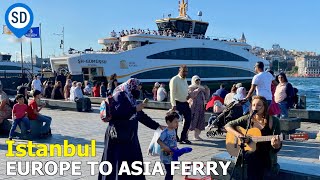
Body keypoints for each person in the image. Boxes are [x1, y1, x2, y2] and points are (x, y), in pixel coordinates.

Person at [98, 78, 165, 180]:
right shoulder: (119, 95)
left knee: (132, 161)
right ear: (131, 86)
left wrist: (156, 126)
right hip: (117, 136)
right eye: (137, 87)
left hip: (130, 136)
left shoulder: (131, 98)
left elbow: (141, 116)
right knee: (118, 161)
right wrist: (135, 109)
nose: (138, 90)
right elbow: (118, 112)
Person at [225, 96, 282, 179]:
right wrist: (239, 135)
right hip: (250, 154)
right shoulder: (248, 118)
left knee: (258, 161)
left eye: (259, 105)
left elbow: (277, 147)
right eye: (253, 105)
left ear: (264, 106)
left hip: (266, 154)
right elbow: (228, 125)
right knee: (252, 156)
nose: (255, 107)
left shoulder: (274, 121)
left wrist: (276, 145)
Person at [169, 65, 192, 144]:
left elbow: (185, 90)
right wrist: (173, 104)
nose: (185, 73)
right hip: (177, 103)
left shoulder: (185, 79)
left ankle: (183, 137)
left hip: (185, 102)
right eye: (184, 71)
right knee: (175, 122)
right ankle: (175, 137)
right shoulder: (174, 79)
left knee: (188, 119)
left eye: (186, 71)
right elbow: (172, 93)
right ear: (180, 71)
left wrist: (187, 95)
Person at [157, 111, 180, 180]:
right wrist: (165, 147)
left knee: (171, 171)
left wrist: (177, 149)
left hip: (172, 154)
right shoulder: (165, 132)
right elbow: (158, 141)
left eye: (178, 122)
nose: (177, 124)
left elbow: (173, 141)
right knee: (169, 172)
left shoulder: (173, 130)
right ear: (168, 122)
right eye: (175, 122)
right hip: (166, 156)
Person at [188, 75, 209, 141]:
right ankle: (185, 135)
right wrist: (197, 90)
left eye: (199, 80)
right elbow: (191, 96)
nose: (198, 81)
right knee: (190, 121)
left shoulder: (202, 88)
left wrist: (207, 90)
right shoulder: (190, 87)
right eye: (196, 80)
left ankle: (196, 136)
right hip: (193, 107)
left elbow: (206, 97)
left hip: (200, 107)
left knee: (199, 121)